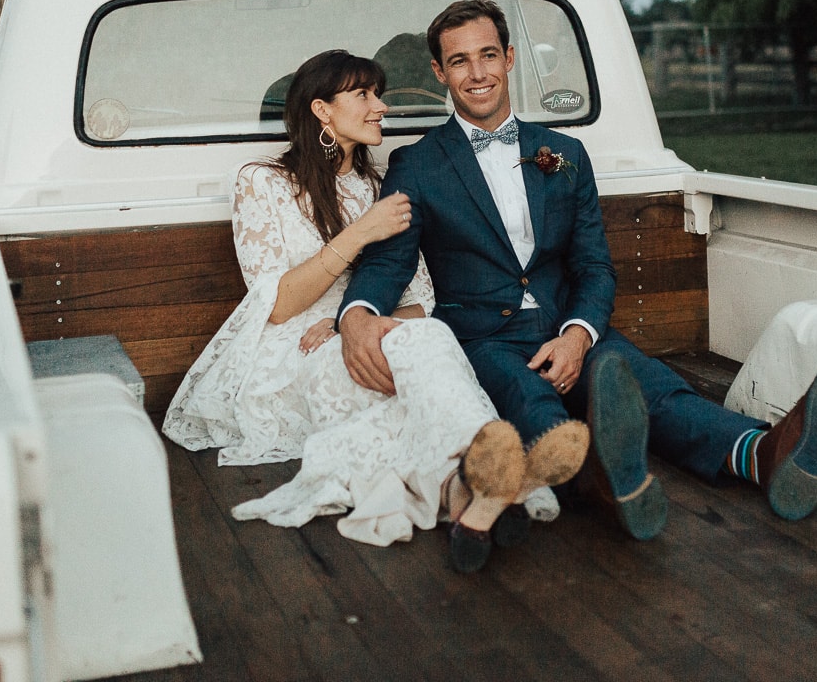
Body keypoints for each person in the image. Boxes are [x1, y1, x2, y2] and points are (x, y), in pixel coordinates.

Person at [339, 1, 817, 540]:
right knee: (532, 403)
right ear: (439, 71)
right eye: (459, 61)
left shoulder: (564, 152)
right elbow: (389, 260)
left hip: (567, 325)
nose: (477, 73)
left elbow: (593, 265)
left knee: (654, 388)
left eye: (488, 56)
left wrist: (577, 336)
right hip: (484, 339)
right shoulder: (417, 164)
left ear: (510, 58)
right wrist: (356, 314)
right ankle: (610, 483)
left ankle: (765, 453)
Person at [163, 49, 588, 571]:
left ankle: (470, 492)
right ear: (322, 109)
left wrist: (354, 322)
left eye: (378, 95)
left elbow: (422, 301)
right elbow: (275, 305)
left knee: (432, 337)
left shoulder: (378, 185)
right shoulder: (262, 181)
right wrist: (361, 233)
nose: (381, 107)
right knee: (404, 390)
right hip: (294, 346)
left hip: (368, 330)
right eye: (364, 95)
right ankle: (484, 478)